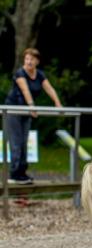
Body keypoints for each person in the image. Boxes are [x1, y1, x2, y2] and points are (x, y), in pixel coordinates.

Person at [4, 48, 63, 184]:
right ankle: (14, 174)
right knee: (16, 142)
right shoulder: (20, 73)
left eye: (31, 59)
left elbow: (49, 88)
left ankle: (22, 172)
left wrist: (57, 103)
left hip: (26, 112)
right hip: (14, 110)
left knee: (24, 142)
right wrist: (31, 106)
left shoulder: (39, 74)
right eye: (26, 59)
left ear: (37, 61)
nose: (28, 61)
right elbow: (25, 91)